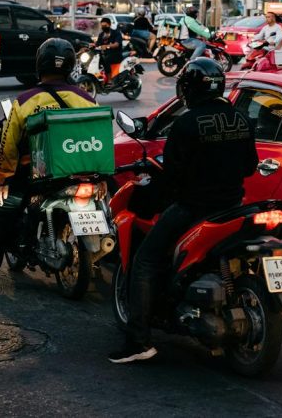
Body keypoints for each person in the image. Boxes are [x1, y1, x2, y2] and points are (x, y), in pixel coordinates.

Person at [110, 58, 259, 364]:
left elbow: (173, 174)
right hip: (232, 206)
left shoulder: (186, 123)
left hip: (194, 207)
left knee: (145, 261)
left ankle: (138, 342)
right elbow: (249, 165)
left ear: (189, 89)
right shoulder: (241, 118)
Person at [0, 39, 96, 292]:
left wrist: (3, 177)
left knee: (2, 210)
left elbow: (9, 144)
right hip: (75, 174)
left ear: (40, 64)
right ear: (70, 65)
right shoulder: (86, 99)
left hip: (34, 176)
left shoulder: (26, 100)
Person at [94, 16, 124, 85]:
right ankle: (99, 77)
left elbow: (116, 44)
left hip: (116, 54)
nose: (103, 27)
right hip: (104, 53)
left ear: (109, 25)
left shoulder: (116, 33)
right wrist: (91, 46)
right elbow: (97, 44)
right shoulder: (101, 34)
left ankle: (110, 80)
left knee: (106, 59)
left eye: (105, 25)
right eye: (102, 26)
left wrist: (107, 46)